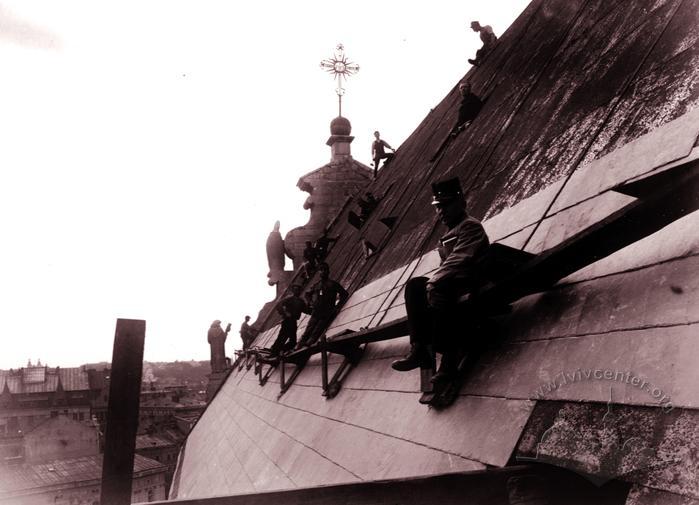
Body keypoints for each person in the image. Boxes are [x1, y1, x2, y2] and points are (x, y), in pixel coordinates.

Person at [391, 177, 490, 383]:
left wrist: (435, 281)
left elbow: (459, 258)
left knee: (440, 289)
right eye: (438, 207)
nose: (441, 211)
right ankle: (419, 349)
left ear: (461, 203)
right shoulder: (448, 233)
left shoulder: (470, 226)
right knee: (415, 286)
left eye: (446, 205)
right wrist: (432, 283)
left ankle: (449, 359)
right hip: (455, 281)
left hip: (472, 280)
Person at [297, 263, 349, 348]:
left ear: (328, 272)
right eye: (321, 270)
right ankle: (300, 344)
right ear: (319, 273)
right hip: (316, 310)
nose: (323, 272)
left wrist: (337, 306)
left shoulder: (333, 284)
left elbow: (344, 294)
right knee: (309, 328)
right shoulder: (316, 285)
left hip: (327, 311)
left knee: (318, 329)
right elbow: (307, 294)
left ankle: (308, 344)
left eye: (325, 270)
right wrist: (311, 303)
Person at [269, 285, 309, 356]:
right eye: (296, 290)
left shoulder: (301, 301)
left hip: (293, 321)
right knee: (282, 337)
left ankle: (281, 350)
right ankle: (273, 353)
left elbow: (306, 310)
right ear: (293, 291)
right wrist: (285, 313)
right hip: (287, 321)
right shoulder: (288, 298)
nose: (297, 291)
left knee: (293, 342)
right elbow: (279, 306)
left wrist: (313, 308)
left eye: (298, 290)